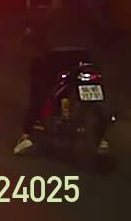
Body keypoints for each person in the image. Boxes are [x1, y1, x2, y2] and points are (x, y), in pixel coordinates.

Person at [13, 11, 110, 155]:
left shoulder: (52, 15)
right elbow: (103, 32)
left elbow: (34, 36)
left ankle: (27, 135)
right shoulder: (88, 14)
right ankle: (101, 139)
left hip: (57, 57)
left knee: (39, 90)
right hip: (84, 57)